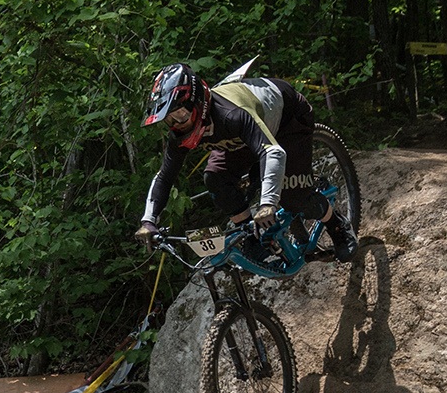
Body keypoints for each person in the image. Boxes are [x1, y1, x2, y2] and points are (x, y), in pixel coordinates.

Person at [132, 60, 356, 261]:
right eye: (169, 119)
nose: (176, 124)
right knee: (215, 178)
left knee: (294, 197)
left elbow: (273, 152)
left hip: (287, 121)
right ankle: (251, 237)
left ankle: (337, 226)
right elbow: (165, 176)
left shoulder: (231, 115)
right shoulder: (182, 132)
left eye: (180, 115)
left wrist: (268, 203)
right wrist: (148, 221)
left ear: (198, 102)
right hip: (245, 138)